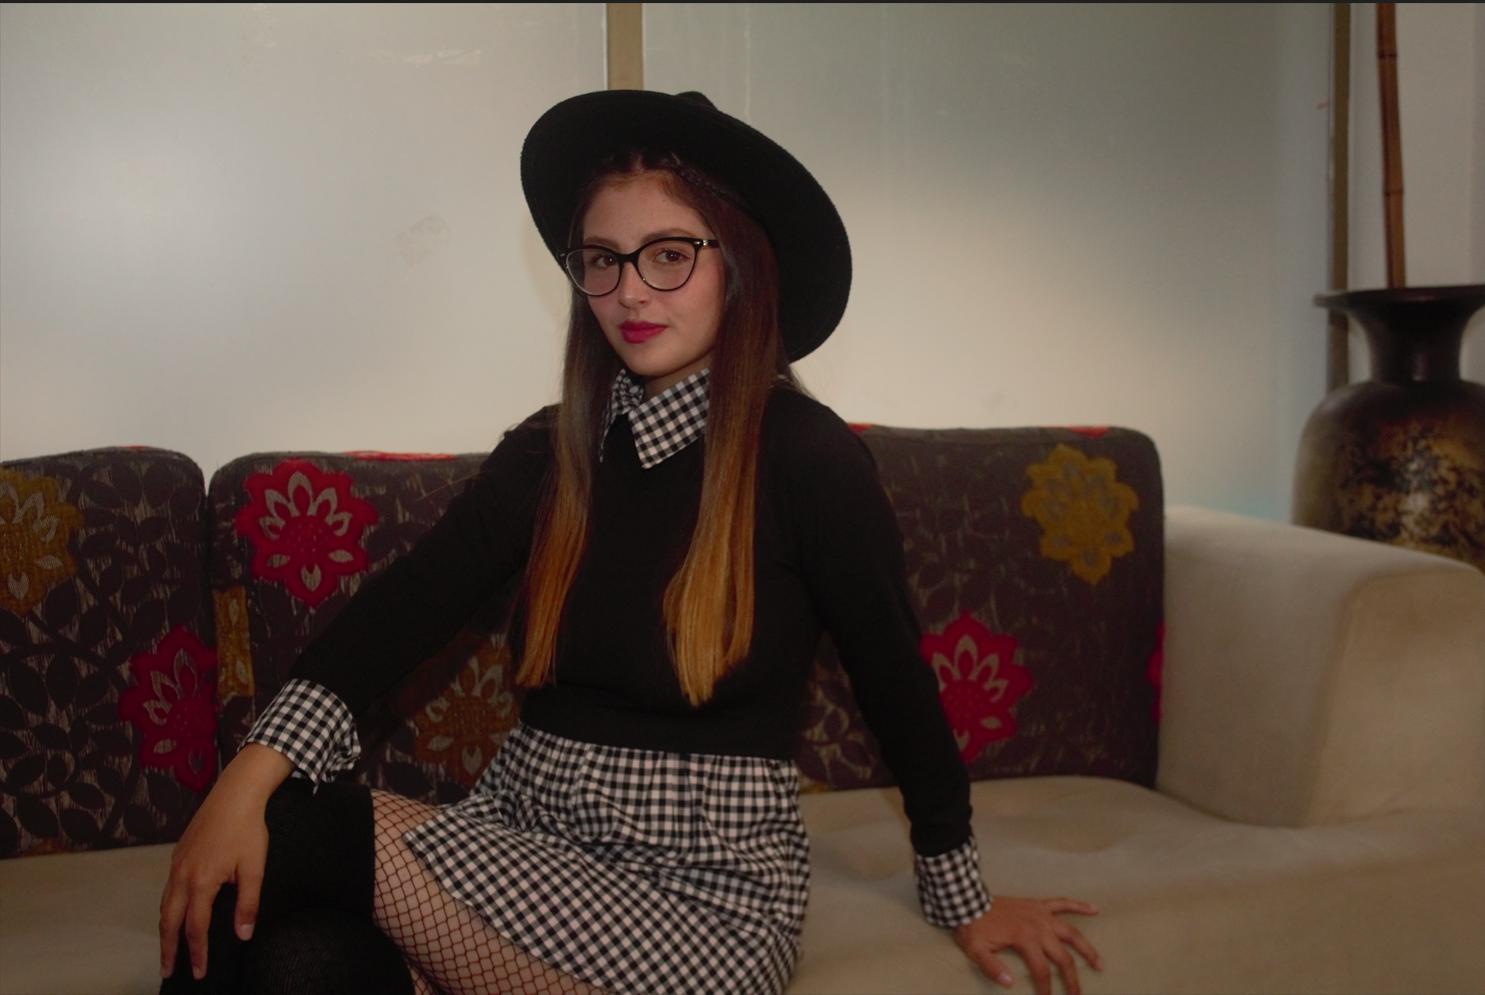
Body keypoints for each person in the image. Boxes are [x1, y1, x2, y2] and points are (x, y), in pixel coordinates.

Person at [157, 89, 1105, 995]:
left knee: (299, 832)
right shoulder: (550, 450)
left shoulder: (807, 456)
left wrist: (963, 897)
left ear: (739, 264)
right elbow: (406, 607)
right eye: (602, 259)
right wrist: (251, 769)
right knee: (288, 960)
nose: (628, 292)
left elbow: (895, 682)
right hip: (529, 844)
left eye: (669, 255)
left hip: (702, 902)